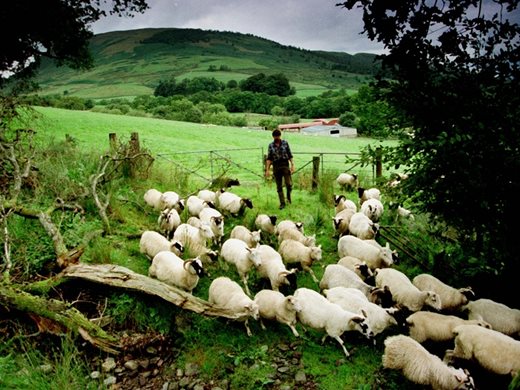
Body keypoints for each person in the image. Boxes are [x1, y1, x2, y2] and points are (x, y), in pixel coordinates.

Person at [265, 129, 295, 209]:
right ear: (273, 137)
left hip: (285, 164)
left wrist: (292, 165)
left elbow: (290, 155)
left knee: (288, 184)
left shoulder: (285, 143)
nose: (276, 138)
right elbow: (269, 158)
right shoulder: (270, 146)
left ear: (280, 136)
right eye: (275, 136)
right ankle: (282, 203)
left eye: (278, 136)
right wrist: (267, 170)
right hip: (276, 166)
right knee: (279, 186)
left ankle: (288, 197)